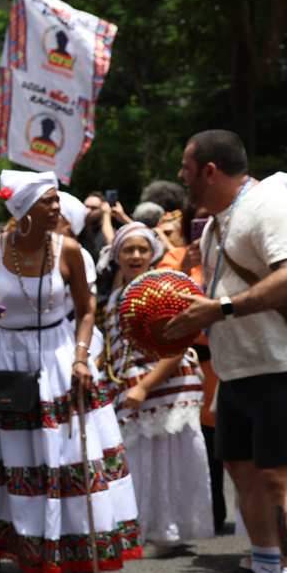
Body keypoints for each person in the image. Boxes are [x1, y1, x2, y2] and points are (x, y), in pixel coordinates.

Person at [0, 171, 141, 573]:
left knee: (62, 454)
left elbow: (87, 310)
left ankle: (71, 548)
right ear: (23, 209)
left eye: (57, 201)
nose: (57, 208)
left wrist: (82, 357)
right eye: (48, 202)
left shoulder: (68, 249)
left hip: (57, 356)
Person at [163, 130, 287, 573]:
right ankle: (264, 569)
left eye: (187, 168)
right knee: (243, 472)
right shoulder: (215, 225)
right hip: (237, 370)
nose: (182, 177)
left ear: (210, 169)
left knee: (280, 477)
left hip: (281, 365)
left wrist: (223, 308)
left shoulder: (270, 203)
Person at [99, 222, 211, 555]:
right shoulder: (117, 295)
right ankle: (141, 528)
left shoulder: (162, 288)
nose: (135, 255)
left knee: (167, 459)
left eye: (142, 249)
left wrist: (145, 386)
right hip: (128, 387)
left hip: (165, 388)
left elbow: (177, 346)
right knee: (138, 459)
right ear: (117, 254)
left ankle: (168, 531)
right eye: (128, 249)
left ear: (153, 254)